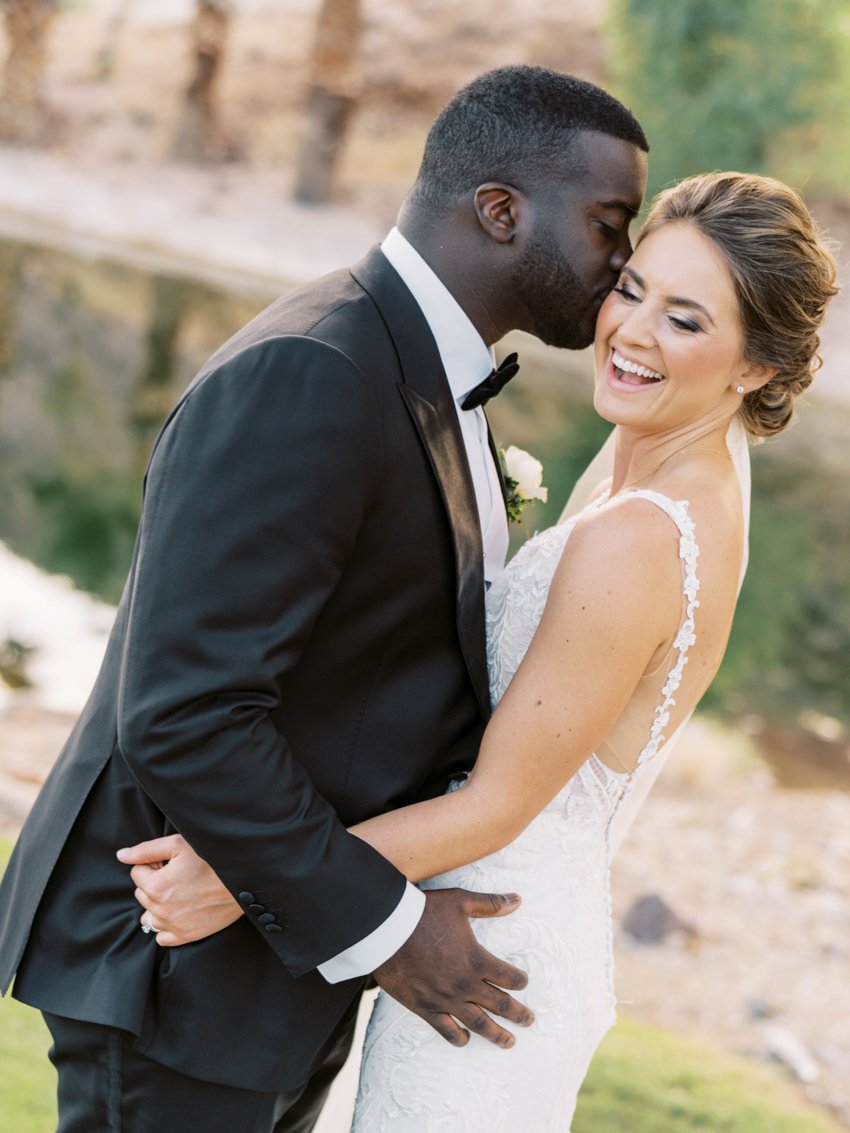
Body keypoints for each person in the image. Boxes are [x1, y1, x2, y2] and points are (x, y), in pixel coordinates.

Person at [0, 67, 649, 1132]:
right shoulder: (311, 370)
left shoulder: (425, 371)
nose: (619, 266)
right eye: (607, 224)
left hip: (268, 952)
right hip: (174, 964)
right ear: (498, 212)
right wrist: (391, 926)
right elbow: (184, 713)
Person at [128, 171, 838, 1131]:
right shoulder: (659, 469)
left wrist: (242, 877)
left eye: (685, 319)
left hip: (489, 965)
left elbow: (499, 802)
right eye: (630, 290)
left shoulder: (643, 534)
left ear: (754, 365)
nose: (630, 332)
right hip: (467, 933)